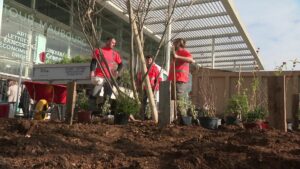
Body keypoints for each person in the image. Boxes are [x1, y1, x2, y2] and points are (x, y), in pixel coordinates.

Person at [89, 37, 123, 114]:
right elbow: (93, 62)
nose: (113, 44)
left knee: (107, 96)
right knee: (94, 93)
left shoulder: (115, 54)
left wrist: (117, 71)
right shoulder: (99, 51)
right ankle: (90, 112)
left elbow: (121, 64)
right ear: (107, 41)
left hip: (109, 78)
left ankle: (104, 112)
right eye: (112, 42)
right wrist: (92, 71)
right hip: (99, 76)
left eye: (114, 43)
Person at [168, 38, 195, 123]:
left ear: (179, 44)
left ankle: (183, 118)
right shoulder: (175, 53)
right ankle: (174, 118)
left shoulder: (183, 52)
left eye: (174, 43)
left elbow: (191, 60)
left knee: (179, 99)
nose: (173, 44)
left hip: (180, 79)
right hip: (172, 80)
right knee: (172, 99)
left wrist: (177, 57)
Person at [137, 55, 161, 120]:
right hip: (144, 88)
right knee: (143, 102)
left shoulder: (155, 68)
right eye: (147, 60)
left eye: (150, 60)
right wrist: (139, 86)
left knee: (153, 103)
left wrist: (155, 87)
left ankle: (153, 117)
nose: (148, 61)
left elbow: (159, 79)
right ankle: (142, 116)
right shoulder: (143, 68)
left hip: (152, 88)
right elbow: (139, 78)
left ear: (152, 60)